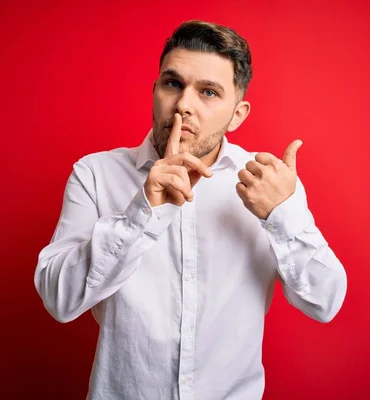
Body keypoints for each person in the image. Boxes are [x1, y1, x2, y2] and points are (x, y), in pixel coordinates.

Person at [34, 19, 347, 400]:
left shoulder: (270, 184)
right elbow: (59, 300)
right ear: (154, 91)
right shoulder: (95, 174)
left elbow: (326, 302)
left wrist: (279, 215)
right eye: (172, 84)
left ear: (238, 113)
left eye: (209, 92)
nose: (184, 104)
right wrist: (141, 214)